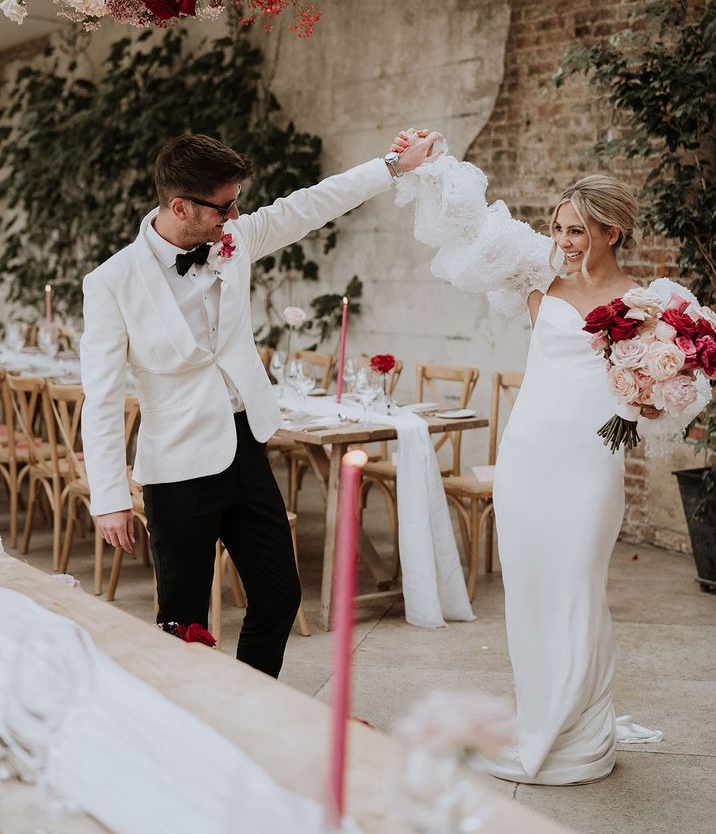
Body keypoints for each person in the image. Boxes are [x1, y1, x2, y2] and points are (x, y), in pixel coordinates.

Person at [80, 129, 440, 679]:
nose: (234, 215)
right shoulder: (110, 283)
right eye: (224, 206)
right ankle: (194, 728)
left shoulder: (235, 239)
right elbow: (100, 397)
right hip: (175, 469)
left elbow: (311, 204)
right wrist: (108, 496)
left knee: (279, 593)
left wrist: (393, 165)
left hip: (245, 444)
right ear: (180, 206)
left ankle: (253, 705)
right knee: (182, 623)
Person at [391, 129, 661, 785]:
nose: (563, 242)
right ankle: (544, 718)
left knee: (576, 589)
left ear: (612, 233)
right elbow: (468, 228)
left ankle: (578, 734)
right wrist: (432, 170)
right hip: (527, 459)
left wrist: (645, 399)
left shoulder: (649, 305)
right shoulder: (535, 276)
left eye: (577, 231)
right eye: (559, 227)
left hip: (589, 465)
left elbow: (659, 392)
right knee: (530, 594)